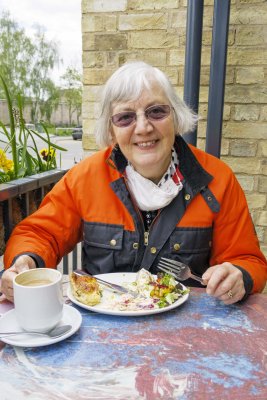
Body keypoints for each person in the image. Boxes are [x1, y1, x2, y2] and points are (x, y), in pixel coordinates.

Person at [1, 61, 267, 304]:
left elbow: (248, 260)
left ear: (175, 117)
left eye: (156, 112)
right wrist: (25, 261)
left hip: (187, 334)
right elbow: (39, 234)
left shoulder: (218, 180)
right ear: (110, 128)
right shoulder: (85, 178)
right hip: (103, 328)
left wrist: (239, 276)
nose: (143, 128)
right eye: (125, 117)